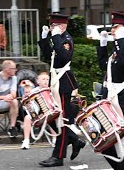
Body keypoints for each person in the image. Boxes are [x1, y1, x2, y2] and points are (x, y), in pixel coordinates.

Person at [38, 13, 86, 167]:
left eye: (54, 25)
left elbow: (64, 57)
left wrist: (56, 37)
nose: (52, 28)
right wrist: (45, 38)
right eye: (50, 26)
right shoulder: (57, 38)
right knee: (53, 117)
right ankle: (74, 140)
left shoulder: (66, 39)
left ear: (63, 26)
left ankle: (58, 156)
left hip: (64, 82)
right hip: (55, 80)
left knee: (62, 120)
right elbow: (48, 57)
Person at [96, 11, 124, 170]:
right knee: (104, 143)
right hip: (109, 99)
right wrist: (102, 46)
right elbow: (103, 67)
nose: (112, 30)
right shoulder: (117, 49)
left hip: (122, 100)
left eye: (116, 27)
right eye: (113, 27)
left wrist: (121, 39)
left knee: (122, 142)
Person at [20, 72, 57, 149]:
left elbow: (56, 103)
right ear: (38, 81)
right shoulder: (33, 91)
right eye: (43, 79)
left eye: (47, 79)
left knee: (53, 116)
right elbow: (26, 106)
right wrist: (26, 98)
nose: (46, 81)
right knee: (27, 118)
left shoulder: (52, 90)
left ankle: (55, 139)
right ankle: (26, 141)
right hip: (37, 115)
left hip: (50, 112)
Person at [0, 60, 19, 138]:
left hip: (6, 100)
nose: (16, 70)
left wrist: (10, 97)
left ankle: (12, 127)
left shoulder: (14, 78)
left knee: (14, 102)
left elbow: (14, 93)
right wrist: (4, 97)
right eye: (14, 68)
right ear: (7, 69)